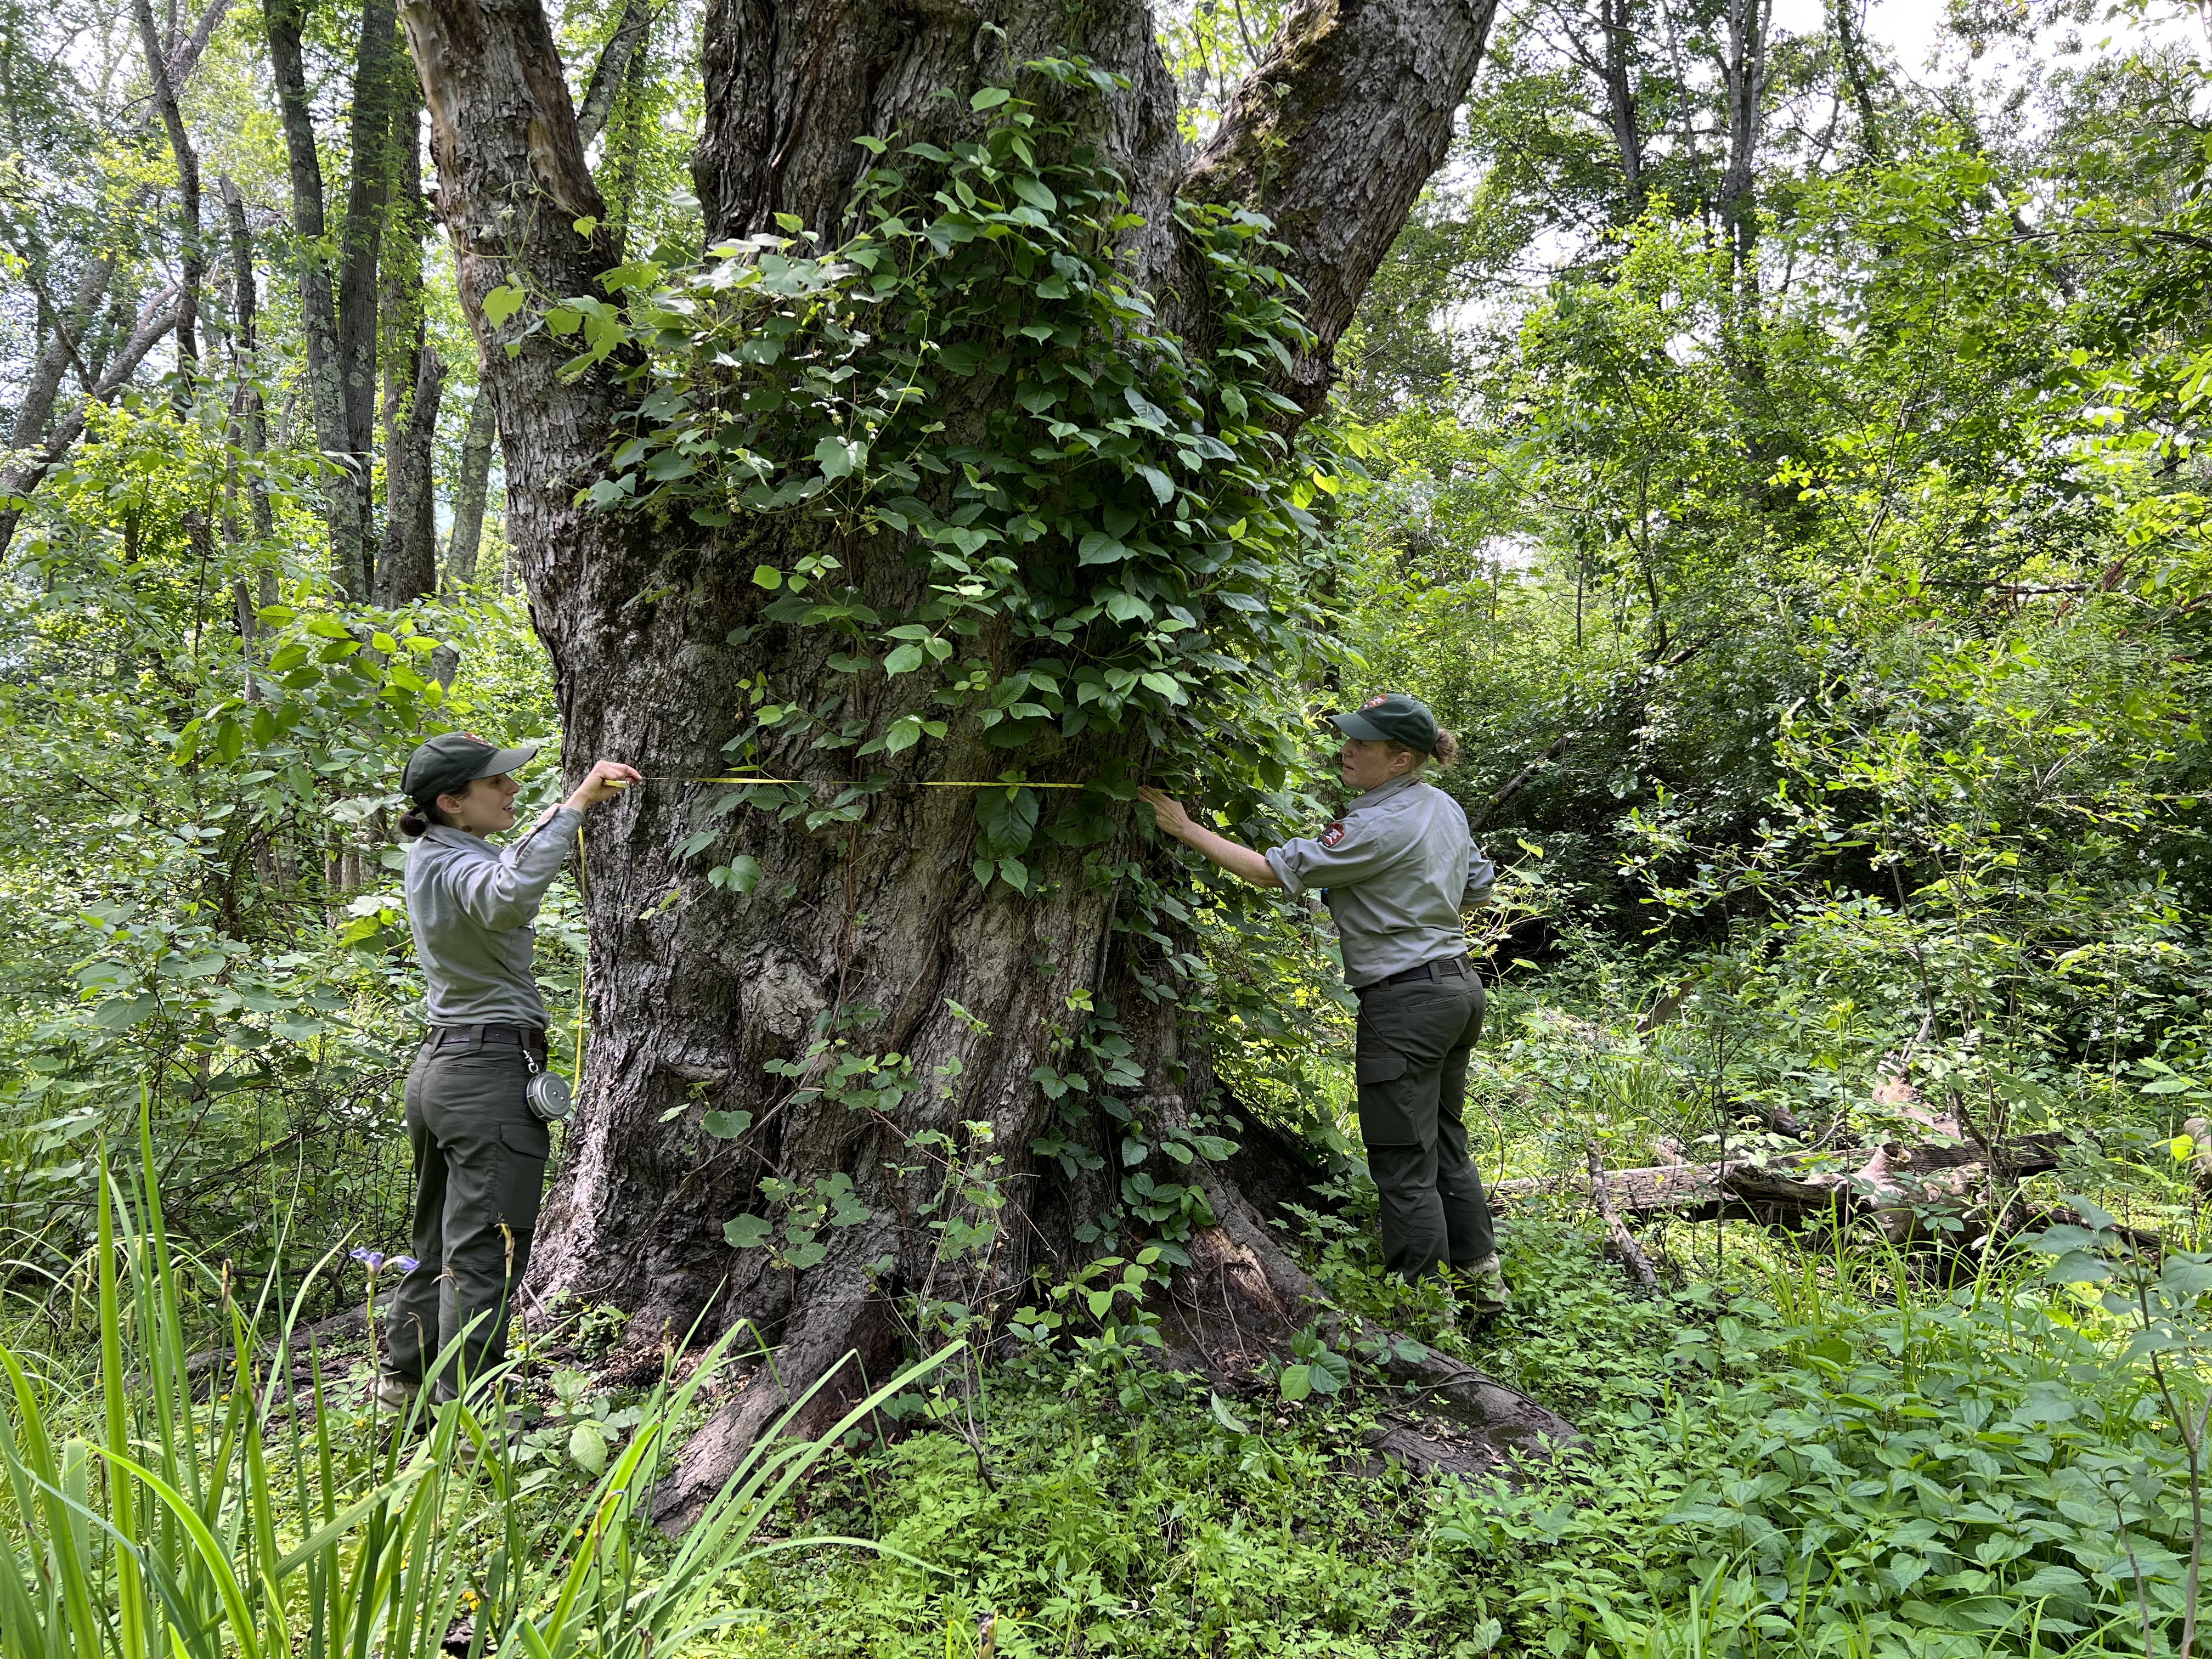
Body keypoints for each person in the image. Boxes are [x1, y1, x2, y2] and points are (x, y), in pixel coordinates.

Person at [1137, 692, 1508, 1315]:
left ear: (1402, 759)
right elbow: (1477, 888)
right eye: (1350, 737)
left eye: (1363, 743)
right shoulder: (1442, 806)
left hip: (1407, 1002)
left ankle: (1425, 1310)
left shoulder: (1379, 824)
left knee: (1402, 1157)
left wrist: (1184, 827)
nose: (1348, 749)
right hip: (1458, 989)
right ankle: (1482, 1289)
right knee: (1445, 1142)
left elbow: (1268, 872)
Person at [377, 732, 641, 1410]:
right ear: (452, 802)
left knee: (437, 1233)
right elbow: (505, 898)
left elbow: (501, 878)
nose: (512, 791)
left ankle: (406, 1383)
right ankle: (468, 1412)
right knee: (486, 1246)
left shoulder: (439, 852)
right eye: (497, 783)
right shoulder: (457, 863)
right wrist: (578, 803)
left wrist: (566, 809)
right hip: (484, 1073)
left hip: (445, 1067)